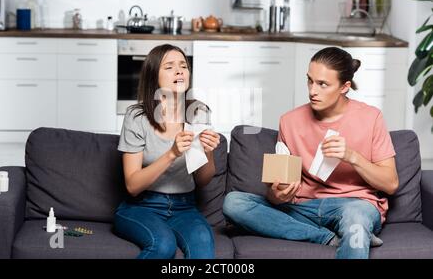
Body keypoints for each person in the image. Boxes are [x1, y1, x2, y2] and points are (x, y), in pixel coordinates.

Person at [223, 46, 399, 259]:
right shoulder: (289, 121)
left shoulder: (371, 117)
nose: (312, 91)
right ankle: (325, 237)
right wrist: (277, 195)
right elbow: (275, 192)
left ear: (345, 87)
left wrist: (353, 157)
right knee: (234, 202)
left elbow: (390, 184)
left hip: (355, 205)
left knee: (356, 219)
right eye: (310, 80)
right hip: (303, 208)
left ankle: (355, 231)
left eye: (322, 84)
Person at [114, 44, 220, 259]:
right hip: (142, 206)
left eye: (183, 65)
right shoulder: (137, 117)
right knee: (163, 245)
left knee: (203, 246)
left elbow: (203, 180)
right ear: (154, 76)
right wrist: (171, 153)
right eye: (170, 66)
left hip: (185, 206)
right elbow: (132, 186)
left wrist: (208, 152)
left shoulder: (198, 112)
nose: (180, 70)